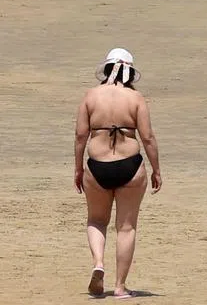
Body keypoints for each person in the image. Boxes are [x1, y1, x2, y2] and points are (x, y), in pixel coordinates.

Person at [74, 48, 161, 299]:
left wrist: (78, 168)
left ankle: (98, 263)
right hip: (130, 166)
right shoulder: (135, 99)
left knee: (96, 220)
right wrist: (156, 170)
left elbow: (81, 136)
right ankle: (120, 287)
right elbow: (147, 137)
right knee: (126, 228)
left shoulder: (91, 96)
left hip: (97, 165)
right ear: (130, 73)